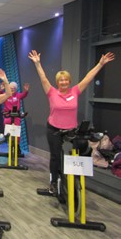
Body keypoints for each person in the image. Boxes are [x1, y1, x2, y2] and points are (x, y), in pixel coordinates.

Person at [28, 49, 115, 194]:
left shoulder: (75, 91)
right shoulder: (51, 92)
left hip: (71, 130)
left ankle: (74, 180)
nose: (63, 82)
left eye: (66, 79)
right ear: (57, 82)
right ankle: (53, 182)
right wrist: (37, 63)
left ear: (69, 81)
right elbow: (43, 78)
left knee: (77, 152)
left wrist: (100, 64)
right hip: (54, 128)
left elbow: (88, 78)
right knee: (55, 156)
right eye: (61, 80)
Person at [3, 82, 29, 152]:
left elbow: (23, 95)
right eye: (11, 88)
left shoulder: (18, 95)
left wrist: (26, 91)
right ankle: (10, 145)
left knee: (16, 131)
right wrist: (0, 90)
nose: (12, 89)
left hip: (16, 116)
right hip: (8, 115)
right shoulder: (6, 95)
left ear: (16, 89)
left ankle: (17, 145)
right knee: (8, 131)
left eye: (14, 88)